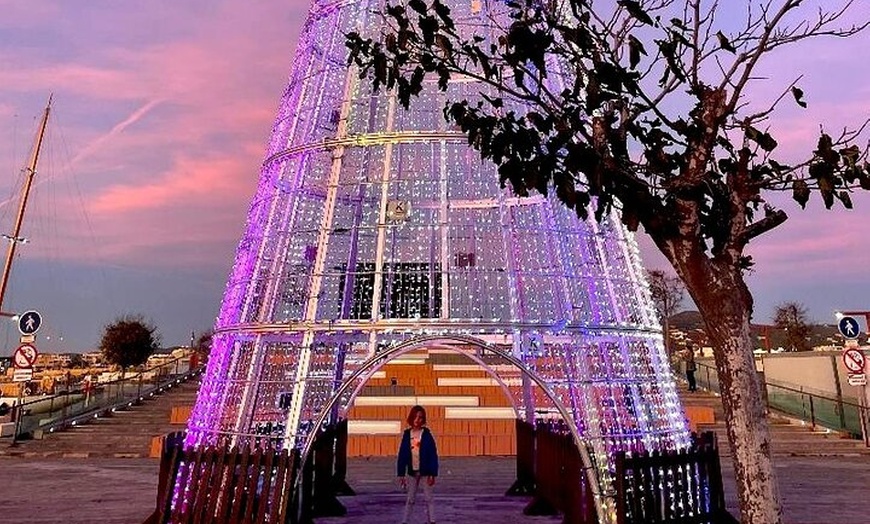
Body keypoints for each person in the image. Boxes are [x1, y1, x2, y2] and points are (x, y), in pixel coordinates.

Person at [397, 405, 438, 524]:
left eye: (420, 417)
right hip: (412, 471)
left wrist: (433, 473)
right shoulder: (407, 435)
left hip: (425, 471)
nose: (417, 420)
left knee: (428, 498)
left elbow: (432, 454)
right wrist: (401, 473)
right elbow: (403, 454)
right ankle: (405, 520)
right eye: (415, 417)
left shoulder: (426, 435)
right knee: (410, 498)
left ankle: (432, 520)